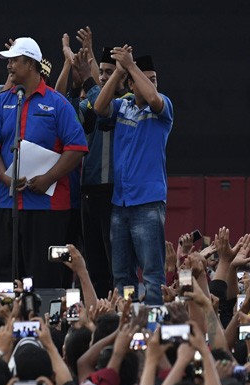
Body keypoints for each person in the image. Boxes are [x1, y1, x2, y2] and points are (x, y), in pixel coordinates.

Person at [0, 37, 87, 287]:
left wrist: (49, 177)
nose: (9, 66)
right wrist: (4, 178)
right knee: (5, 273)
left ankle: (48, 325)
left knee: (46, 275)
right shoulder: (3, 101)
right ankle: (6, 324)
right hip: (6, 203)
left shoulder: (57, 103)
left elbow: (77, 147)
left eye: (15, 61)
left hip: (47, 207)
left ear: (31, 64)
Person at [94, 48, 173, 305]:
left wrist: (133, 67)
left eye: (154, 79)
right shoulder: (123, 107)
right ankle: (126, 327)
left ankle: (153, 330)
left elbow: (153, 97)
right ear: (130, 83)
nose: (151, 84)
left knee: (151, 275)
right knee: (122, 276)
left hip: (148, 204)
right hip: (121, 204)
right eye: (142, 78)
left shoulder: (162, 109)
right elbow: (98, 107)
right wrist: (119, 70)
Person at [77, 44, 130, 299]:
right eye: (103, 72)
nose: (105, 77)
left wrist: (89, 75)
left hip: (114, 192)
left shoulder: (126, 104)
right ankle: (96, 312)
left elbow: (102, 104)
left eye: (112, 72)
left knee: (116, 263)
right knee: (94, 261)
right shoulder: (90, 101)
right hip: (89, 190)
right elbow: (87, 109)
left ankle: (120, 311)